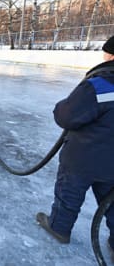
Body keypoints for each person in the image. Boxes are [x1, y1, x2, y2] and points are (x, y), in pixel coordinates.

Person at [36, 35, 114, 251]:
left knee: (68, 195)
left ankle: (59, 228)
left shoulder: (100, 85)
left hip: (84, 158)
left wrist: (62, 105)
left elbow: (66, 115)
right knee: (112, 202)